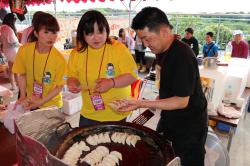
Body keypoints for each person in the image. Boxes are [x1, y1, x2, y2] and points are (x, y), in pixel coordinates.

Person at [114, 7, 208, 166]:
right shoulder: (162, 51)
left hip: (189, 126)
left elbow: (181, 101)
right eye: (141, 39)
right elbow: (167, 86)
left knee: (187, 161)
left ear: (164, 31)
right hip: (170, 118)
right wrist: (150, 105)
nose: (144, 44)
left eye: (147, 38)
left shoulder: (182, 55)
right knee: (164, 156)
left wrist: (140, 103)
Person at [67, 10, 137, 127]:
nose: (96, 38)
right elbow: (71, 75)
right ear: (82, 34)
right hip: (89, 113)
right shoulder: (76, 53)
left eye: (100, 32)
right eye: (90, 33)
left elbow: (132, 75)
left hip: (116, 112)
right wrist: (73, 82)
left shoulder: (118, 49)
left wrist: (111, 82)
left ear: (107, 31)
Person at [12, 12, 67, 110]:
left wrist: (40, 102)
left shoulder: (59, 59)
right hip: (30, 101)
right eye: (46, 32)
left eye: (54, 32)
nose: (51, 37)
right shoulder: (24, 50)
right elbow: (22, 74)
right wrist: (22, 96)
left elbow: (59, 87)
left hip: (52, 106)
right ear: (36, 33)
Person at [0, 13, 19, 90]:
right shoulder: (8, 29)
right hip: (12, 51)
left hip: (6, 50)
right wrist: (20, 44)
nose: (15, 22)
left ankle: (13, 85)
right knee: (17, 69)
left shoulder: (1, 27)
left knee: (11, 69)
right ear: (11, 20)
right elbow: (13, 42)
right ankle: (18, 84)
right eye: (14, 20)